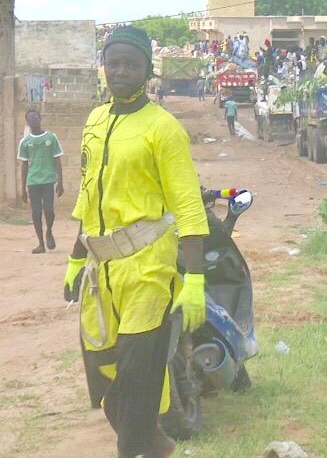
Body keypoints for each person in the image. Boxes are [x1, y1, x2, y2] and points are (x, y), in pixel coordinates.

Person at [64, 25, 208, 458]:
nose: (121, 72)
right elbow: (89, 198)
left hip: (148, 266)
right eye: (114, 63)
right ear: (103, 67)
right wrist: (74, 260)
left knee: (137, 376)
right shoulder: (95, 121)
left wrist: (196, 278)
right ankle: (159, 446)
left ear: (148, 70)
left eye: (131, 64)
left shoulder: (164, 129)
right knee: (107, 380)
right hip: (100, 269)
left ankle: (136, 449)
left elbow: (187, 205)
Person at [19, 109, 64, 254]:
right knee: (36, 212)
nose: (33, 119)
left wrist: (61, 182)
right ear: (27, 122)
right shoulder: (25, 142)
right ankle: (40, 244)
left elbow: (58, 160)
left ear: (40, 118)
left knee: (49, 210)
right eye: (30, 118)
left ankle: (49, 231)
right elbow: (24, 164)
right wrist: (22, 189)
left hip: (48, 180)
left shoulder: (51, 137)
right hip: (33, 181)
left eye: (35, 117)